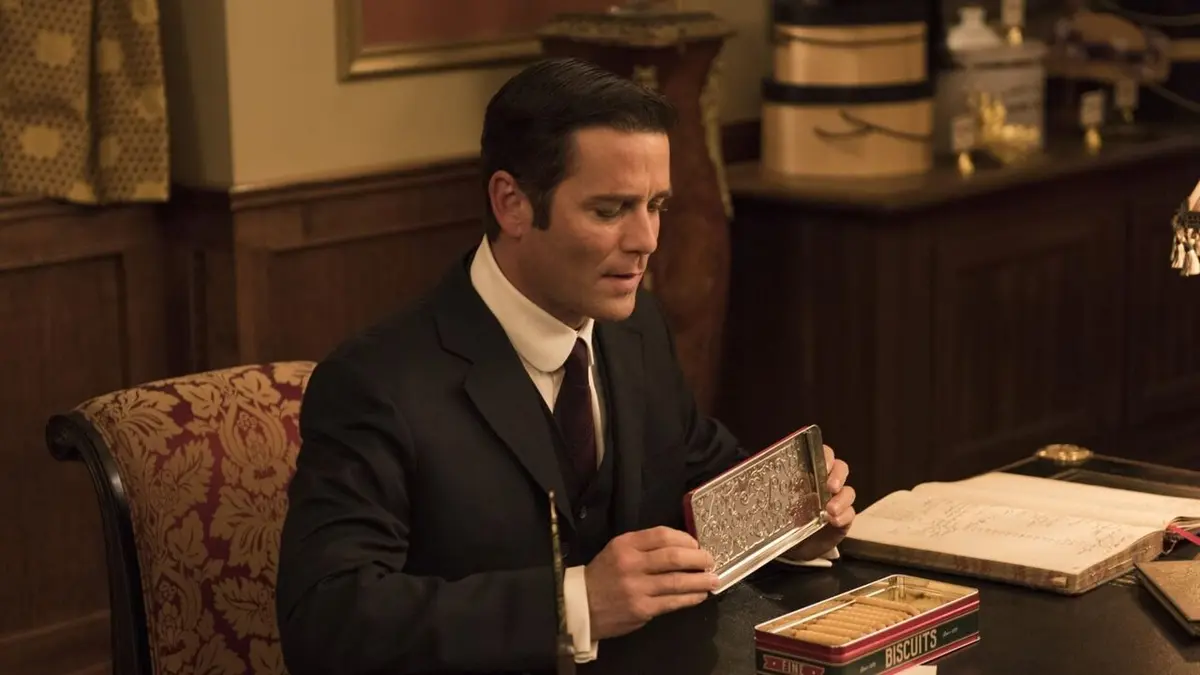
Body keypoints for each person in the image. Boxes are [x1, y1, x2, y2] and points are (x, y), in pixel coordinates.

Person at [275, 57, 857, 675]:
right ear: (512, 204)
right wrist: (574, 604)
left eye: (656, 205)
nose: (647, 240)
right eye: (610, 210)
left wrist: (798, 522)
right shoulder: (377, 383)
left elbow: (696, 471)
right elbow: (328, 621)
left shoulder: (637, 328)